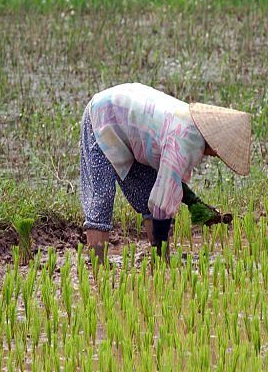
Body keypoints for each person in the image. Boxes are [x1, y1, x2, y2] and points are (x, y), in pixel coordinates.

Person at [79, 82, 251, 261]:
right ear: (215, 142)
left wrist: (194, 202)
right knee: (102, 195)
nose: (218, 156)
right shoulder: (184, 142)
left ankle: (161, 260)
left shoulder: (192, 127)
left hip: (130, 125)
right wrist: (160, 254)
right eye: (221, 151)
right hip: (104, 115)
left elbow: (169, 177)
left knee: (147, 193)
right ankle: (98, 266)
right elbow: (162, 205)